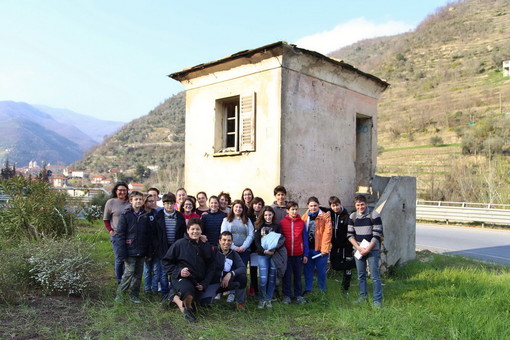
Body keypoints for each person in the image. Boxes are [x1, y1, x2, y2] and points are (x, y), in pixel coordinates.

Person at [162, 218, 215, 322]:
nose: (195, 232)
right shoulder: (179, 244)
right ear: (187, 230)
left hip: (199, 281)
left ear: (201, 231)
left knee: (202, 302)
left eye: (197, 229)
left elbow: (211, 267)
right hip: (182, 278)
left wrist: (204, 284)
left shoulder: (206, 246)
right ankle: (188, 311)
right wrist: (179, 271)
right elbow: (166, 262)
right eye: (192, 229)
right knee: (188, 292)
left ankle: (173, 296)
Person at [115, 191, 152, 303]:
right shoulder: (125, 214)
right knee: (129, 272)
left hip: (141, 250)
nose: (138, 201)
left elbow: (148, 235)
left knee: (138, 274)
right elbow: (120, 234)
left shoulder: (145, 215)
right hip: (129, 248)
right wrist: (122, 252)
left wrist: (149, 252)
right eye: (136, 199)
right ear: (131, 201)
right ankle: (120, 294)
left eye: (140, 199)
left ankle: (134, 295)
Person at [347, 195, 384, 308]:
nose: (360, 207)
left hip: (373, 250)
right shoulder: (353, 217)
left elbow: (377, 234)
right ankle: (363, 297)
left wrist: (368, 249)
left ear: (366, 204)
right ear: (355, 205)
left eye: (362, 204)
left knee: (374, 276)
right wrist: (358, 248)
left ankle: (377, 300)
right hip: (359, 250)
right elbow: (350, 235)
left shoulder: (374, 215)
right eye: (358, 205)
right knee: (361, 275)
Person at [201, 231, 247, 310]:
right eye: (224, 240)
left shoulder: (233, 254)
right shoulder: (213, 251)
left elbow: (243, 268)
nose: (226, 242)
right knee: (204, 305)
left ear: (232, 242)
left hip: (226, 283)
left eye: (229, 240)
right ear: (219, 241)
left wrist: (230, 274)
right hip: (212, 283)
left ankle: (240, 304)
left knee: (242, 278)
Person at [220, 199, 254, 303]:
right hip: (230, 250)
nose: (238, 209)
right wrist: (233, 247)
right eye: (236, 207)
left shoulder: (247, 220)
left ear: (243, 209)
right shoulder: (226, 220)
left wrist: (244, 246)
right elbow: (224, 234)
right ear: (232, 208)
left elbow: (251, 234)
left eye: (240, 207)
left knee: (241, 272)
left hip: (244, 251)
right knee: (230, 271)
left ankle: (241, 296)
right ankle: (231, 293)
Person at [154, 193, 186, 298]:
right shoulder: (158, 216)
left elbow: (183, 232)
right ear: (163, 204)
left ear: (174, 204)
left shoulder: (179, 216)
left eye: (171, 203)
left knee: (174, 272)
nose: (169, 206)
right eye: (167, 204)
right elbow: (154, 234)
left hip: (175, 248)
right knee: (163, 273)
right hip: (163, 248)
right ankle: (165, 294)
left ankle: (173, 293)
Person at [254, 206, 286, 309]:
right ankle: (262, 299)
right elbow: (257, 242)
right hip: (262, 255)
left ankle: (268, 299)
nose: (268, 217)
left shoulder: (277, 226)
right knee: (263, 278)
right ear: (263, 216)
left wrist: (274, 249)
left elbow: (281, 239)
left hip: (273, 255)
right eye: (266, 215)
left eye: (270, 215)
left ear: (273, 215)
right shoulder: (259, 226)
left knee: (272, 278)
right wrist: (264, 251)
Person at [279, 201, 308, 305]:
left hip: (298, 254)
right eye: (292, 209)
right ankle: (287, 296)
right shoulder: (282, 223)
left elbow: (305, 239)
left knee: (298, 276)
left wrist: (305, 254)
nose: (295, 211)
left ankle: (298, 295)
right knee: (286, 276)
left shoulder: (301, 223)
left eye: (296, 209)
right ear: (287, 210)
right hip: (286, 255)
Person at [302, 196, 332, 294]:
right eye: (311, 206)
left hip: (320, 250)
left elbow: (327, 234)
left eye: (315, 205)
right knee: (308, 271)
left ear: (319, 205)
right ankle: (308, 289)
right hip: (308, 249)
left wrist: (324, 249)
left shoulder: (325, 217)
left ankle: (322, 290)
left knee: (321, 271)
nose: (313, 208)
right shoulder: (305, 217)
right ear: (308, 206)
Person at [103, 181, 131, 284]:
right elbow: (106, 219)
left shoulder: (130, 203)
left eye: (124, 190)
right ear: (116, 191)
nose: (122, 192)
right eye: (120, 190)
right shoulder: (111, 202)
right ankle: (119, 282)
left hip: (129, 235)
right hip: (117, 236)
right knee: (119, 259)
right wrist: (110, 230)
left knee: (128, 259)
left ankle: (127, 280)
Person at [328, 196, 354, 297]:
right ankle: (353, 264)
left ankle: (345, 289)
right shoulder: (331, 214)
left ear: (340, 204)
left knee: (348, 270)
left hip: (346, 246)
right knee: (335, 266)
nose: (335, 208)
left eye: (337, 205)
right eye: (333, 206)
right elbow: (318, 208)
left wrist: (351, 246)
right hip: (335, 246)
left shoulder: (347, 216)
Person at [143, 193, 161, 295]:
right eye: (149, 201)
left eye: (153, 201)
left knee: (156, 270)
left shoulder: (157, 213)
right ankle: (147, 289)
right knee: (147, 270)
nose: (152, 203)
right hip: (145, 247)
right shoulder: (142, 215)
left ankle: (154, 289)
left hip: (156, 246)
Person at [247, 196, 265, 296]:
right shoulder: (249, 217)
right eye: (255, 204)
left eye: (259, 204)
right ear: (252, 205)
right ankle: (254, 288)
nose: (257, 206)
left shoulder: (264, 217)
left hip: (262, 247)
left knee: (262, 269)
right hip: (252, 247)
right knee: (253, 270)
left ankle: (263, 289)